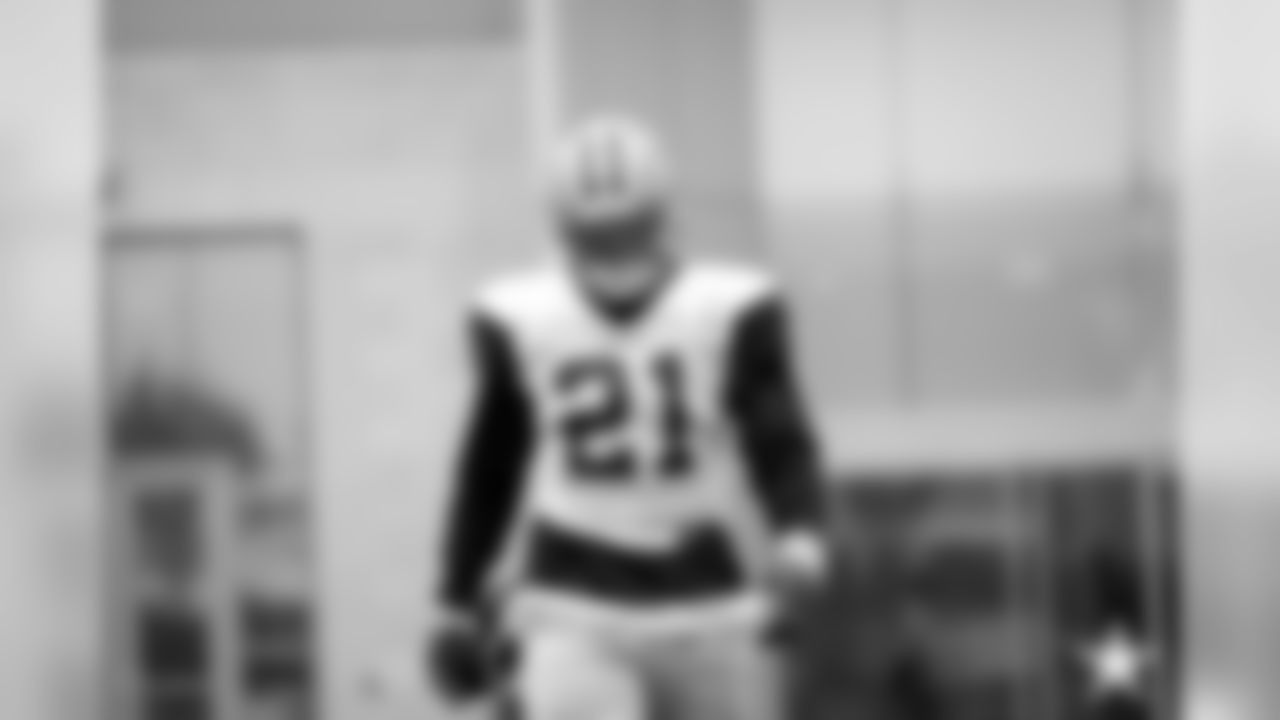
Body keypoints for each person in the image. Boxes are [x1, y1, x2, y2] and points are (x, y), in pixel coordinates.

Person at [429, 114, 829, 720]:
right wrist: (456, 598)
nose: (615, 251)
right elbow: (490, 466)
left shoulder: (728, 308)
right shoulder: (524, 317)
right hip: (573, 604)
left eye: (627, 230)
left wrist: (798, 535)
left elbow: (777, 436)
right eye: (600, 236)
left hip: (705, 597)